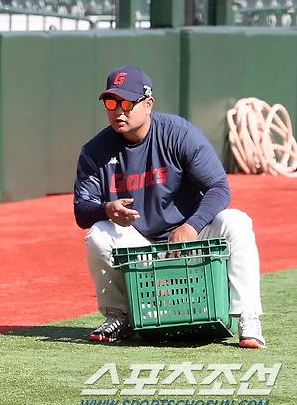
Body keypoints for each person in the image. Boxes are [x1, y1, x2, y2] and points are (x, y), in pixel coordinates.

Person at [73, 66, 265, 349]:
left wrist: (192, 225)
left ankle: (248, 318)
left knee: (236, 221)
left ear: (148, 104)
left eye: (127, 103)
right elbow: (81, 210)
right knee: (99, 233)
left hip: (190, 242)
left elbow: (219, 188)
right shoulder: (95, 151)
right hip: (140, 247)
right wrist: (106, 210)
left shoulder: (178, 134)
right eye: (111, 103)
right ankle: (120, 316)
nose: (118, 111)